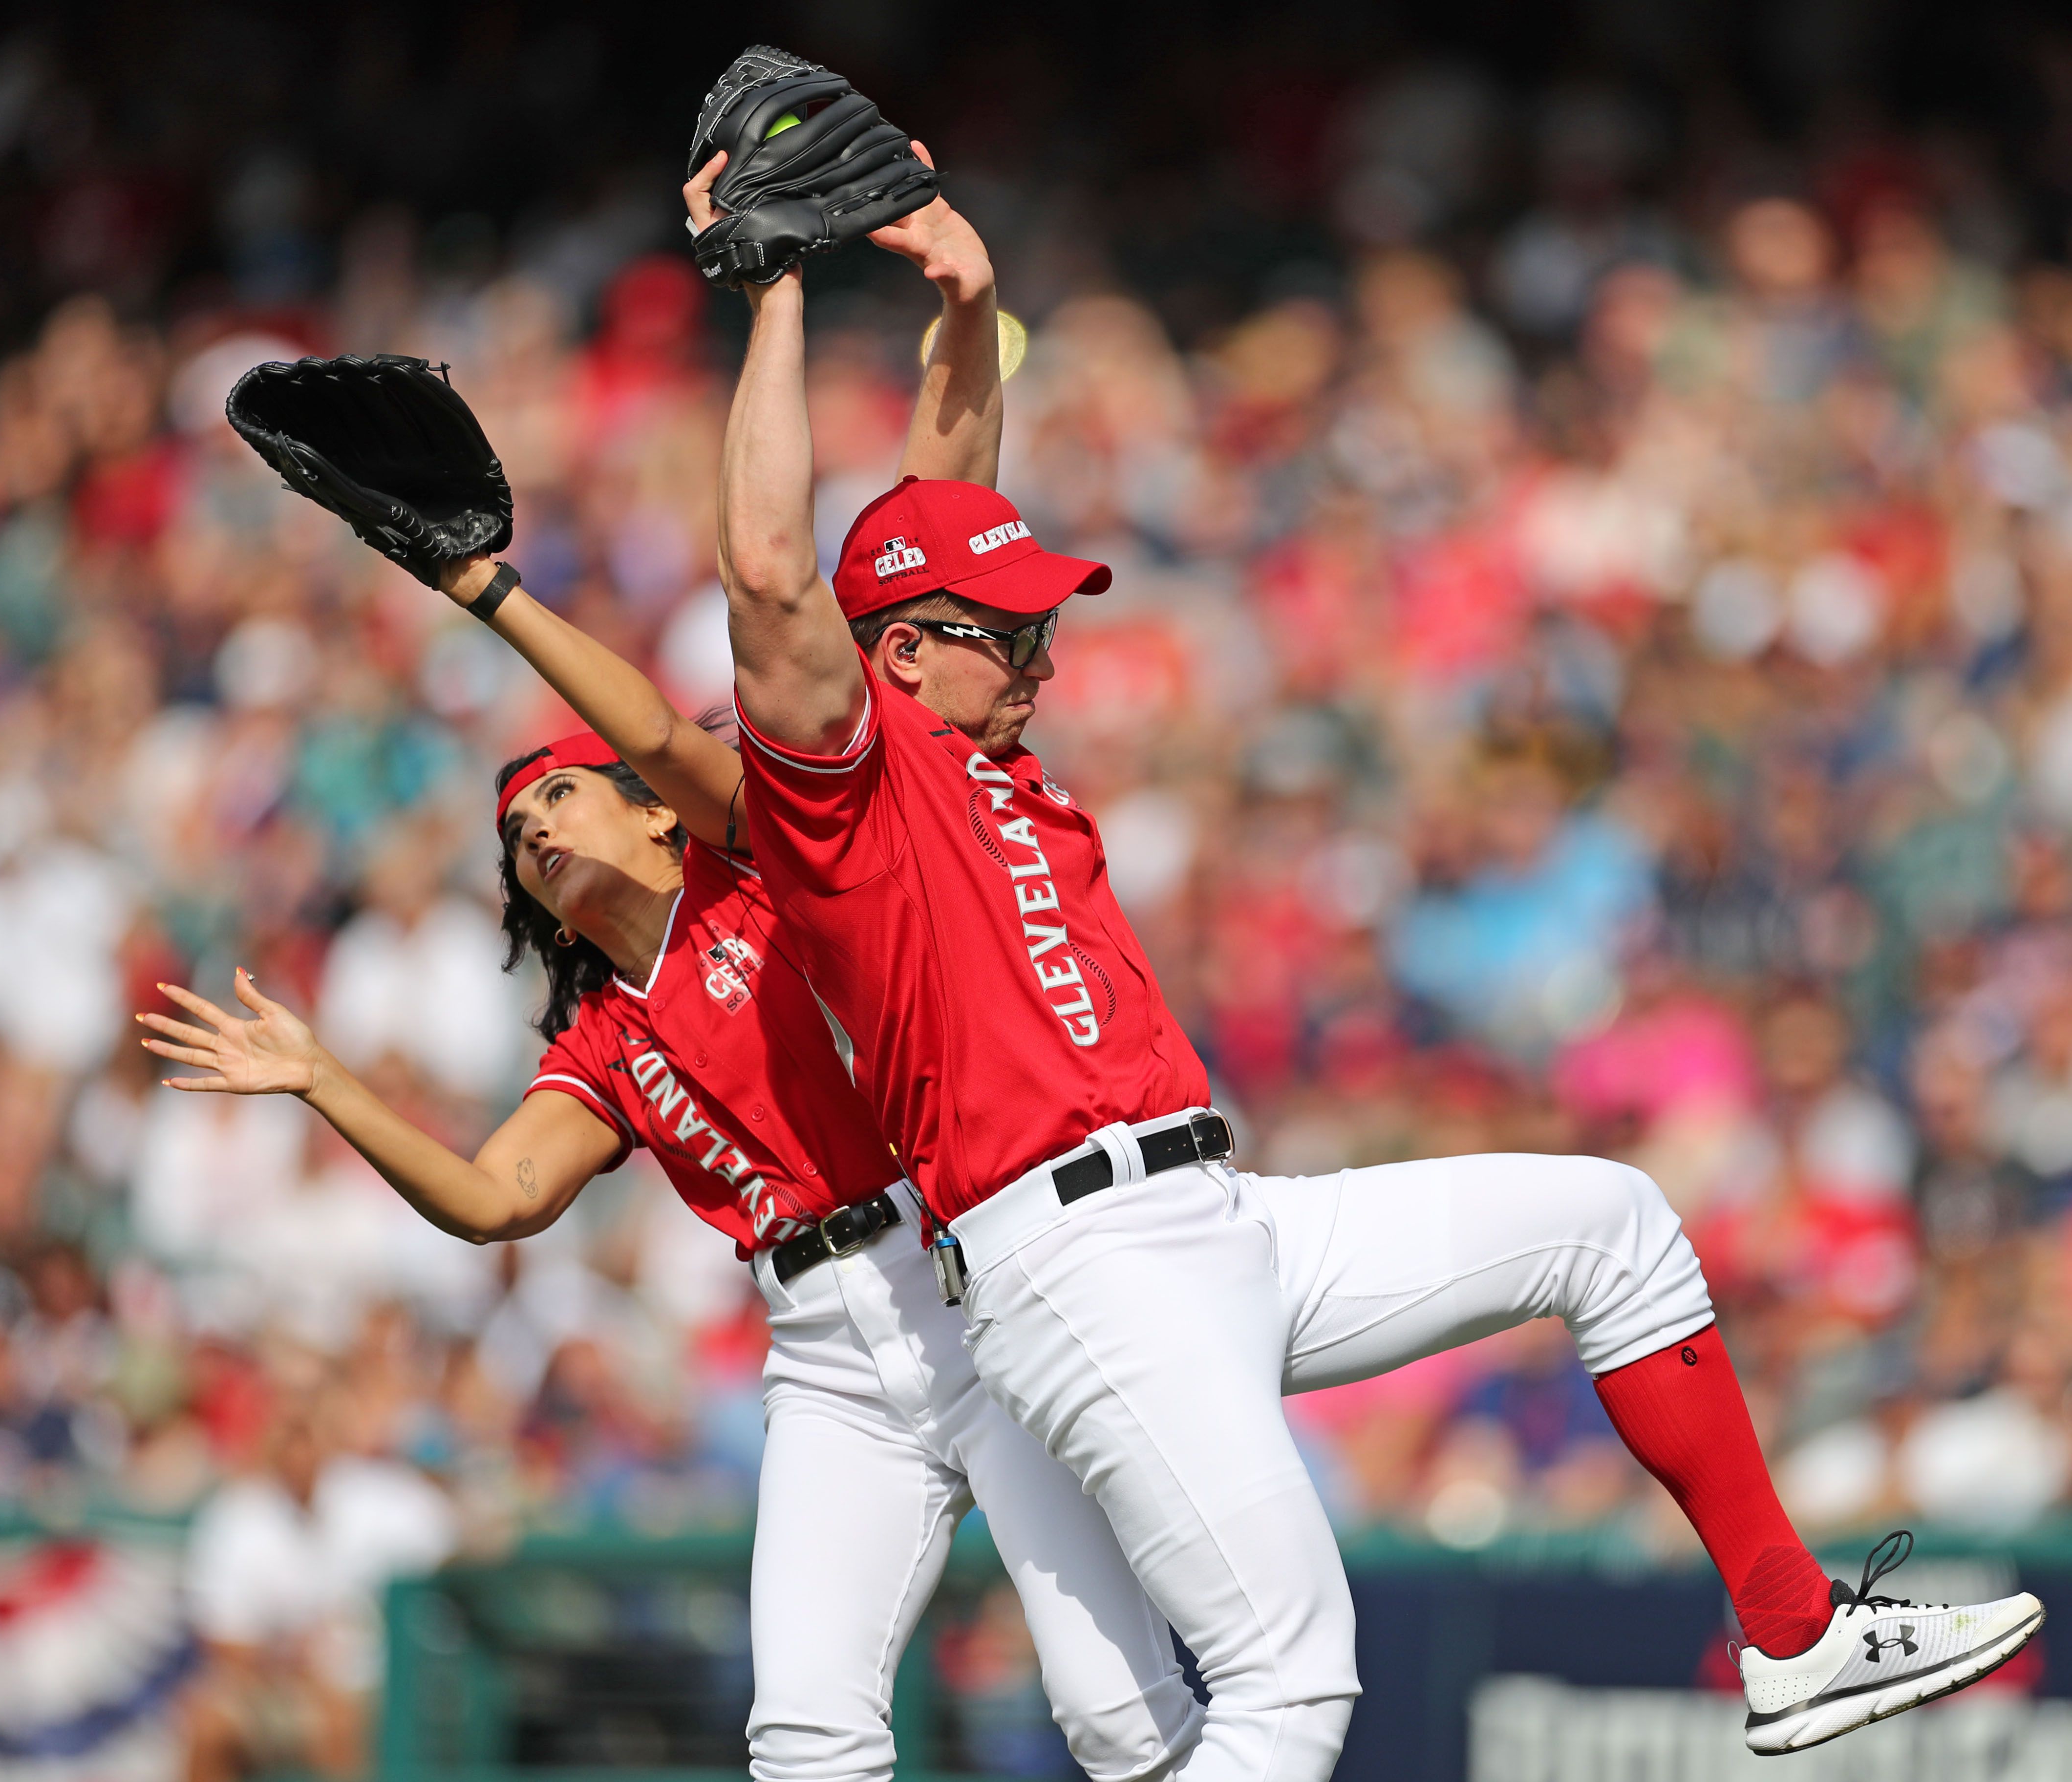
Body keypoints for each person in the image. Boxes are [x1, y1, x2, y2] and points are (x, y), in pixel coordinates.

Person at [686, 151, 2046, 1773]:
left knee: (1613, 1227)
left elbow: (935, 516)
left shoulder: (968, 744)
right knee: (1289, 1687)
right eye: (1014, 631)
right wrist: (771, 288)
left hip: (1216, 1221)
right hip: (1081, 1257)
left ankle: (1796, 1636)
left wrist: (969, 309)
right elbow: (781, 579)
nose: (1047, 653)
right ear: (904, 656)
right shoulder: (850, 789)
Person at [137, 176, 1201, 1782]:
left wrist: (489, 593)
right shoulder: (612, 1047)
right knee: (807, 1732)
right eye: (516, 827)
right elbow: (497, 1201)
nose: (539, 818)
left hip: (966, 1274)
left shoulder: (760, 864)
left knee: (1121, 1708)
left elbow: (698, 691)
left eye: (554, 792)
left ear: (648, 811)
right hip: (825, 1340)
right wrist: (325, 1082)